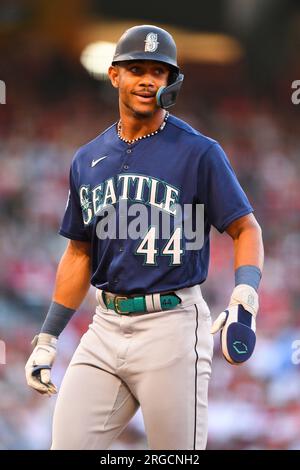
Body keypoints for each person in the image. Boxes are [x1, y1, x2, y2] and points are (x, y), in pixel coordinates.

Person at [25, 24, 264, 450]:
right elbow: (79, 252)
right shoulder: (86, 159)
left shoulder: (199, 151)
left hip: (171, 326)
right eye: (137, 68)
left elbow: (245, 228)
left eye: (159, 71)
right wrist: (48, 336)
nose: (148, 79)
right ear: (115, 74)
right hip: (105, 326)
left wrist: (244, 294)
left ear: (171, 82)